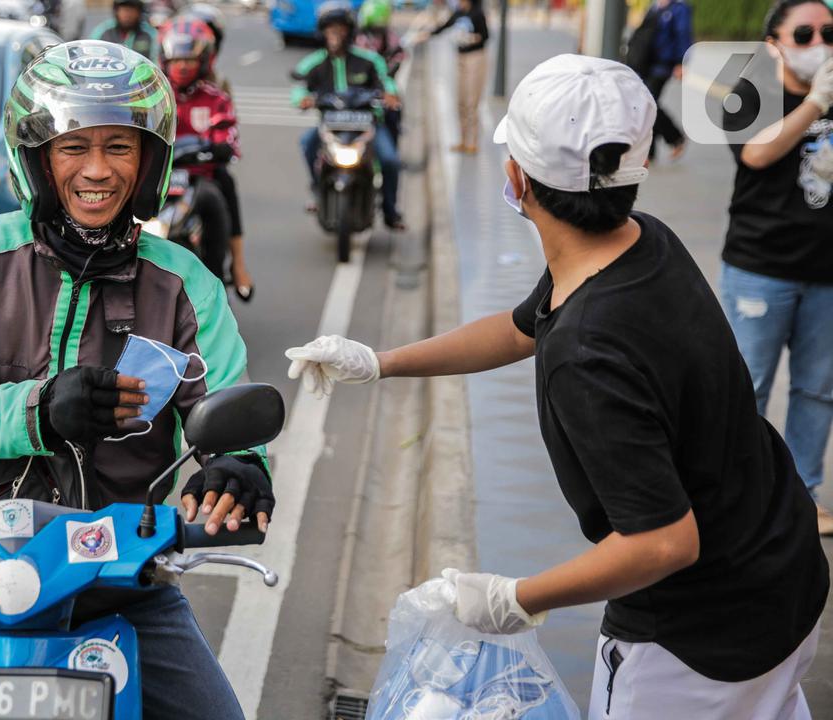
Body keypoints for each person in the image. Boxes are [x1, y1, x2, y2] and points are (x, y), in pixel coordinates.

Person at [287, 54, 828, 718]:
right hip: (784, 568)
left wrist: (518, 597)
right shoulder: (638, 244)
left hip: (696, 644)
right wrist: (380, 360)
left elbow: (664, 541)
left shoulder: (587, 351)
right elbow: (522, 327)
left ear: (518, 177)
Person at [0, 40, 272, 719]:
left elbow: (220, 403)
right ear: (38, 159)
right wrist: (38, 410)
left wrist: (240, 465)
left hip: (119, 571)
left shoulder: (187, 284)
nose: (96, 170)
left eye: (119, 147)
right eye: (74, 147)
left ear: (150, 161)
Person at [721, 0, 833, 535]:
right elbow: (757, 154)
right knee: (750, 385)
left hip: (827, 273)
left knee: (817, 389)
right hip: (761, 267)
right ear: (774, 43)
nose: (819, 43)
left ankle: (802, 496)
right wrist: (816, 103)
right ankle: (739, 499)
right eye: (805, 33)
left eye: (829, 32)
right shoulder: (750, 91)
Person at [161, 15, 255, 300]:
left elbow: (227, 142)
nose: (183, 65)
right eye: (177, 59)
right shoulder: (155, 94)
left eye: (189, 59)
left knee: (223, 191)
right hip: (160, 176)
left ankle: (232, 268)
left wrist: (208, 151)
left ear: (204, 60)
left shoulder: (216, 98)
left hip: (203, 176)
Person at [293, 0, 404, 230]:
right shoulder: (315, 62)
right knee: (306, 142)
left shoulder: (369, 60)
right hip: (331, 128)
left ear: (349, 31)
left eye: (339, 29)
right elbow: (299, 85)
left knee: (390, 160)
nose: (334, 34)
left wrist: (390, 95)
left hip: (368, 126)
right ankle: (317, 188)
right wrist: (302, 99)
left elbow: (387, 82)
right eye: (329, 29)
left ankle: (390, 211)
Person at [420, 0, 488, 154]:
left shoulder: (477, 14)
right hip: (460, 58)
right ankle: (463, 139)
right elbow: (444, 27)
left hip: (475, 58)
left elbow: (485, 36)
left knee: (472, 101)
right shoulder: (458, 13)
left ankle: (473, 141)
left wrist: (470, 38)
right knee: (461, 101)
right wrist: (427, 34)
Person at [637, 0, 692, 161]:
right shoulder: (654, 6)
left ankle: (675, 136)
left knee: (648, 102)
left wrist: (680, 63)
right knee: (646, 105)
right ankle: (649, 151)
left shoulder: (679, 8)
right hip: (646, 64)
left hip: (663, 65)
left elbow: (683, 35)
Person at [356, 0, 407, 147]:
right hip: (358, 88)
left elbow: (398, 57)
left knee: (394, 112)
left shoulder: (390, 38)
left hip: (381, 86)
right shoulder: (357, 37)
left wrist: (390, 94)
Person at [89, 0, 160, 60]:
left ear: (139, 12)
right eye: (124, 9)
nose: (127, 15)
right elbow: (89, 57)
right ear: (116, 11)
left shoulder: (150, 33)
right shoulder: (102, 31)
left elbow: (156, 63)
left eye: (132, 10)